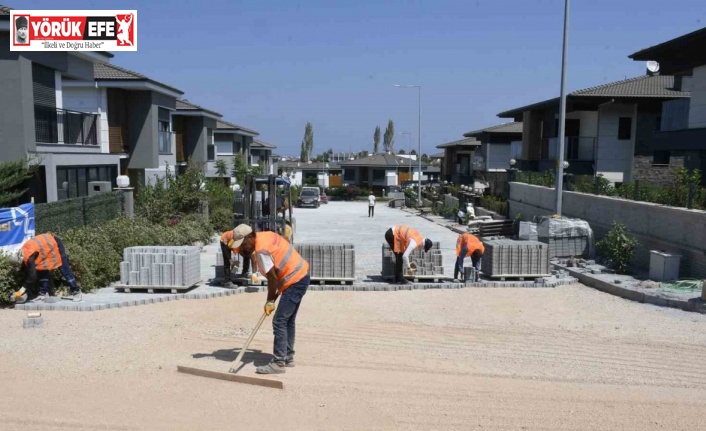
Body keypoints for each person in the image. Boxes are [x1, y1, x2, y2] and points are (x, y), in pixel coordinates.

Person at [231, 224, 310, 375]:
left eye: (242, 245)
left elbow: (273, 279)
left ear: (249, 237)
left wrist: (270, 301)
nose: (242, 249)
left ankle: (279, 362)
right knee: (287, 320)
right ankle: (288, 357)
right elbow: (284, 240)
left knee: (279, 321)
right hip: (301, 274)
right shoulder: (265, 235)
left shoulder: (261, 250)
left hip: (294, 280)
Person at [9, 233, 82, 302]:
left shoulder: (30, 257)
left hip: (55, 244)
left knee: (64, 269)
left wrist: (21, 290)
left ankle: (76, 291)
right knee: (42, 268)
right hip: (47, 247)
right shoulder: (23, 251)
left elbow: (32, 276)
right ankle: (43, 293)